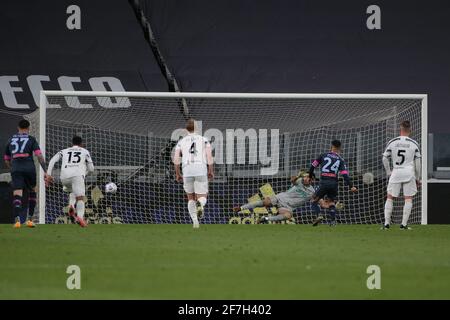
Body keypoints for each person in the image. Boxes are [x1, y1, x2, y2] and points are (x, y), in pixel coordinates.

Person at [4, 119, 48, 228]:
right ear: (28, 128)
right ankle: (30, 219)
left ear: (18, 128)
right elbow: (39, 156)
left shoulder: (10, 140)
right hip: (29, 168)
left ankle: (17, 220)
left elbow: (6, 159)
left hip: (16, 168)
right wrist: (46, 171)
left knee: (17, 193)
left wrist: (12, 169)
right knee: (33, 190)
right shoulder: (31, 139)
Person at [173, 119, 214, 228]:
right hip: (200, 168)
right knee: (202, 196)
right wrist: (210, 170)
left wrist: (177, 173)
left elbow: (176, 159)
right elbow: (209, 157)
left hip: (187, 170)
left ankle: (195, 222)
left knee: (190, 198)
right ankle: (200, 203)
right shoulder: (204, 140)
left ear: (186, 129)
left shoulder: (181, 142)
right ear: (197, 128)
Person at [46, 136, 94, 227]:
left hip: (64, 177)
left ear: (72, 143)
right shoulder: (84, 151)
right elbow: (91, 169)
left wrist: (48, 174)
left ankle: (71, 205)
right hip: (77, 176)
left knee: (72, 191)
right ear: (81, 144)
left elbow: (52, 160)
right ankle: (80, 217)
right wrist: (84, 174)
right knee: (80, 198)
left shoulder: (64, 151)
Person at [233, 171, 316, 223]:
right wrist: (297, 177)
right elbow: (293, 180)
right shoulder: (299, 181)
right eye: (306, 176)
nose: (306, 178)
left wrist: (326, 203)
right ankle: (241, 208)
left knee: (288, 216)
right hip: (281, 198)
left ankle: (265, 219)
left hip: (288, 207)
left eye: (309, 178)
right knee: (265, 202)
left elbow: (318, 200)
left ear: (312, 180)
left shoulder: (312, 192)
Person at [382, 120, 421, 230]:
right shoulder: (414, 143)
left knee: (390, 197)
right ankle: (403, 225)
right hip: (409, 173)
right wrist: (418, 178)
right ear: (410, 130)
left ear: (401, 129)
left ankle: (386, 224)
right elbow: (418, 164)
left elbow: (384, 158)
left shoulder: (393, 141)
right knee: (408, 198)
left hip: (396, 172)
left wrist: (389, 172)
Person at [309, 140, 357, 226]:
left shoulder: (323, 155)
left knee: (314, 200)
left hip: (324, 182)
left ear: (331, 146)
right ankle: (333, 221)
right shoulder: (340, 160)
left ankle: (319, 215)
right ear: (339, 148)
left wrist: (310, 175)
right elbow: (345, 175)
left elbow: (313, 165)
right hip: (334, 184)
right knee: (331, 202)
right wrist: (351, 186)